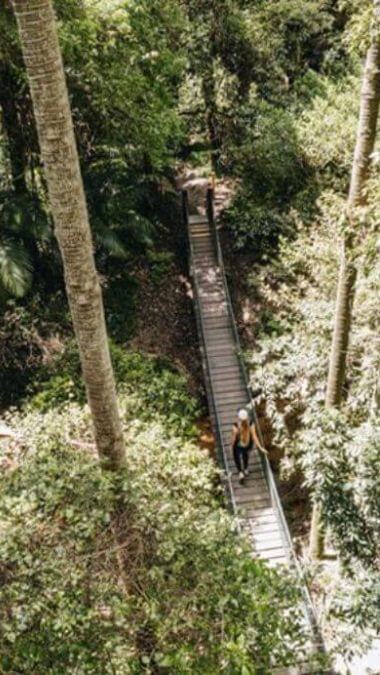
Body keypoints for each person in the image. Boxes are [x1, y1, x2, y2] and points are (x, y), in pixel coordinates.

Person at [231, 408, 268, 483]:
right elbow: (254, 436)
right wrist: (260, 448)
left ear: (238, 417)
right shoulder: (251, 424)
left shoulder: (235, 425)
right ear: (247, 417)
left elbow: (234, 438)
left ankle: (240, 473)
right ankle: (245, 469)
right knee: (245, 454)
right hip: (248, 445)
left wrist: (231, 446)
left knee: (236, 457)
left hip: (238, 445)